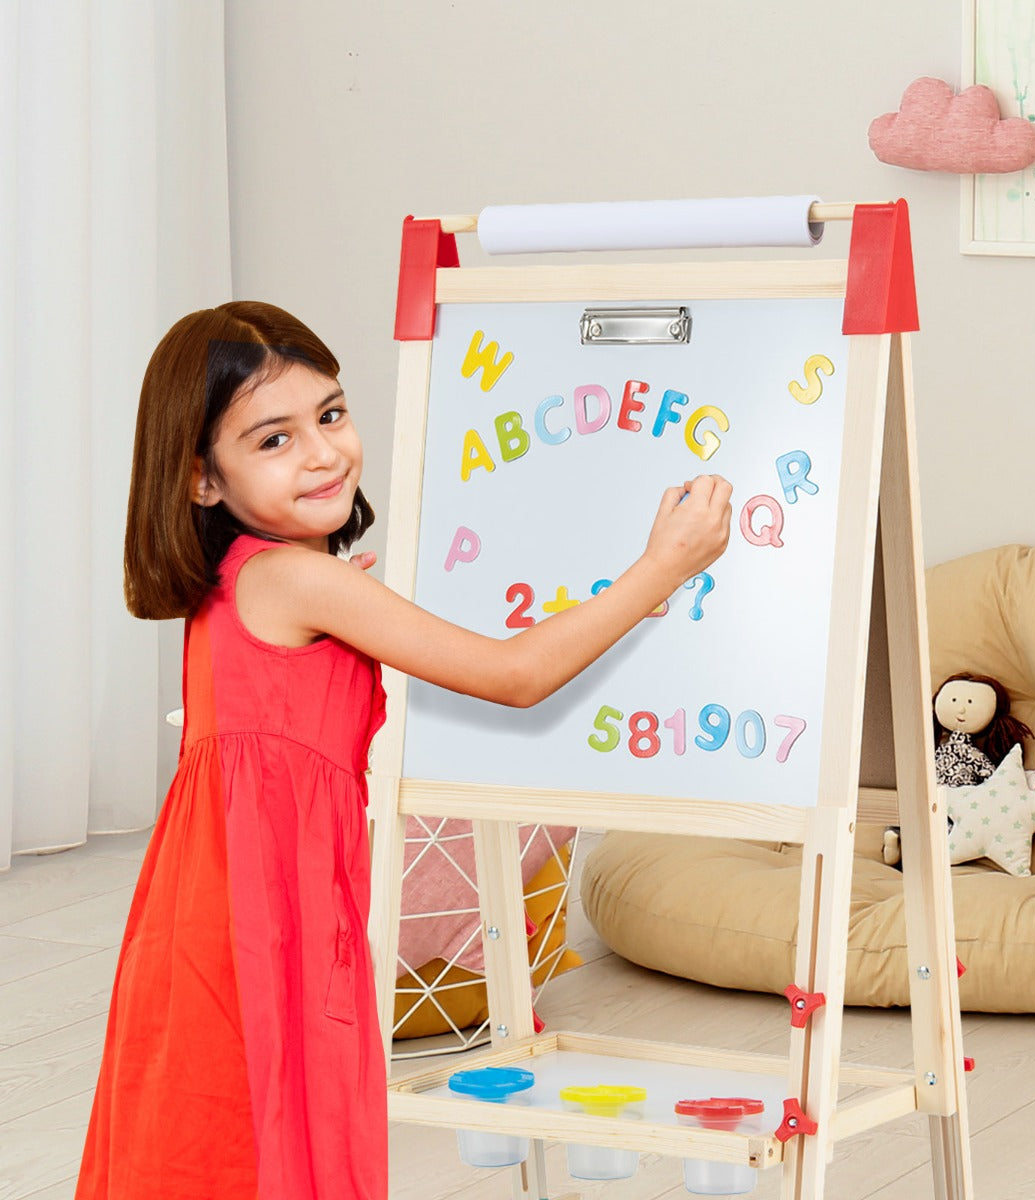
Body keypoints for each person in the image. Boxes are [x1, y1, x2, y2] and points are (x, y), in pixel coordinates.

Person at [76, 300, 733, 1200]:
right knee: (268, 1131)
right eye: (273, 440)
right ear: (200, 480)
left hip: (224, 901)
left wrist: (607, 606)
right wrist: (666, 563)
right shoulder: (298, 578)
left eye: (331, 415)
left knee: (223, 1131)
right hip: (270, 911)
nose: (321, 452)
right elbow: (513, 678)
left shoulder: (249, 579)